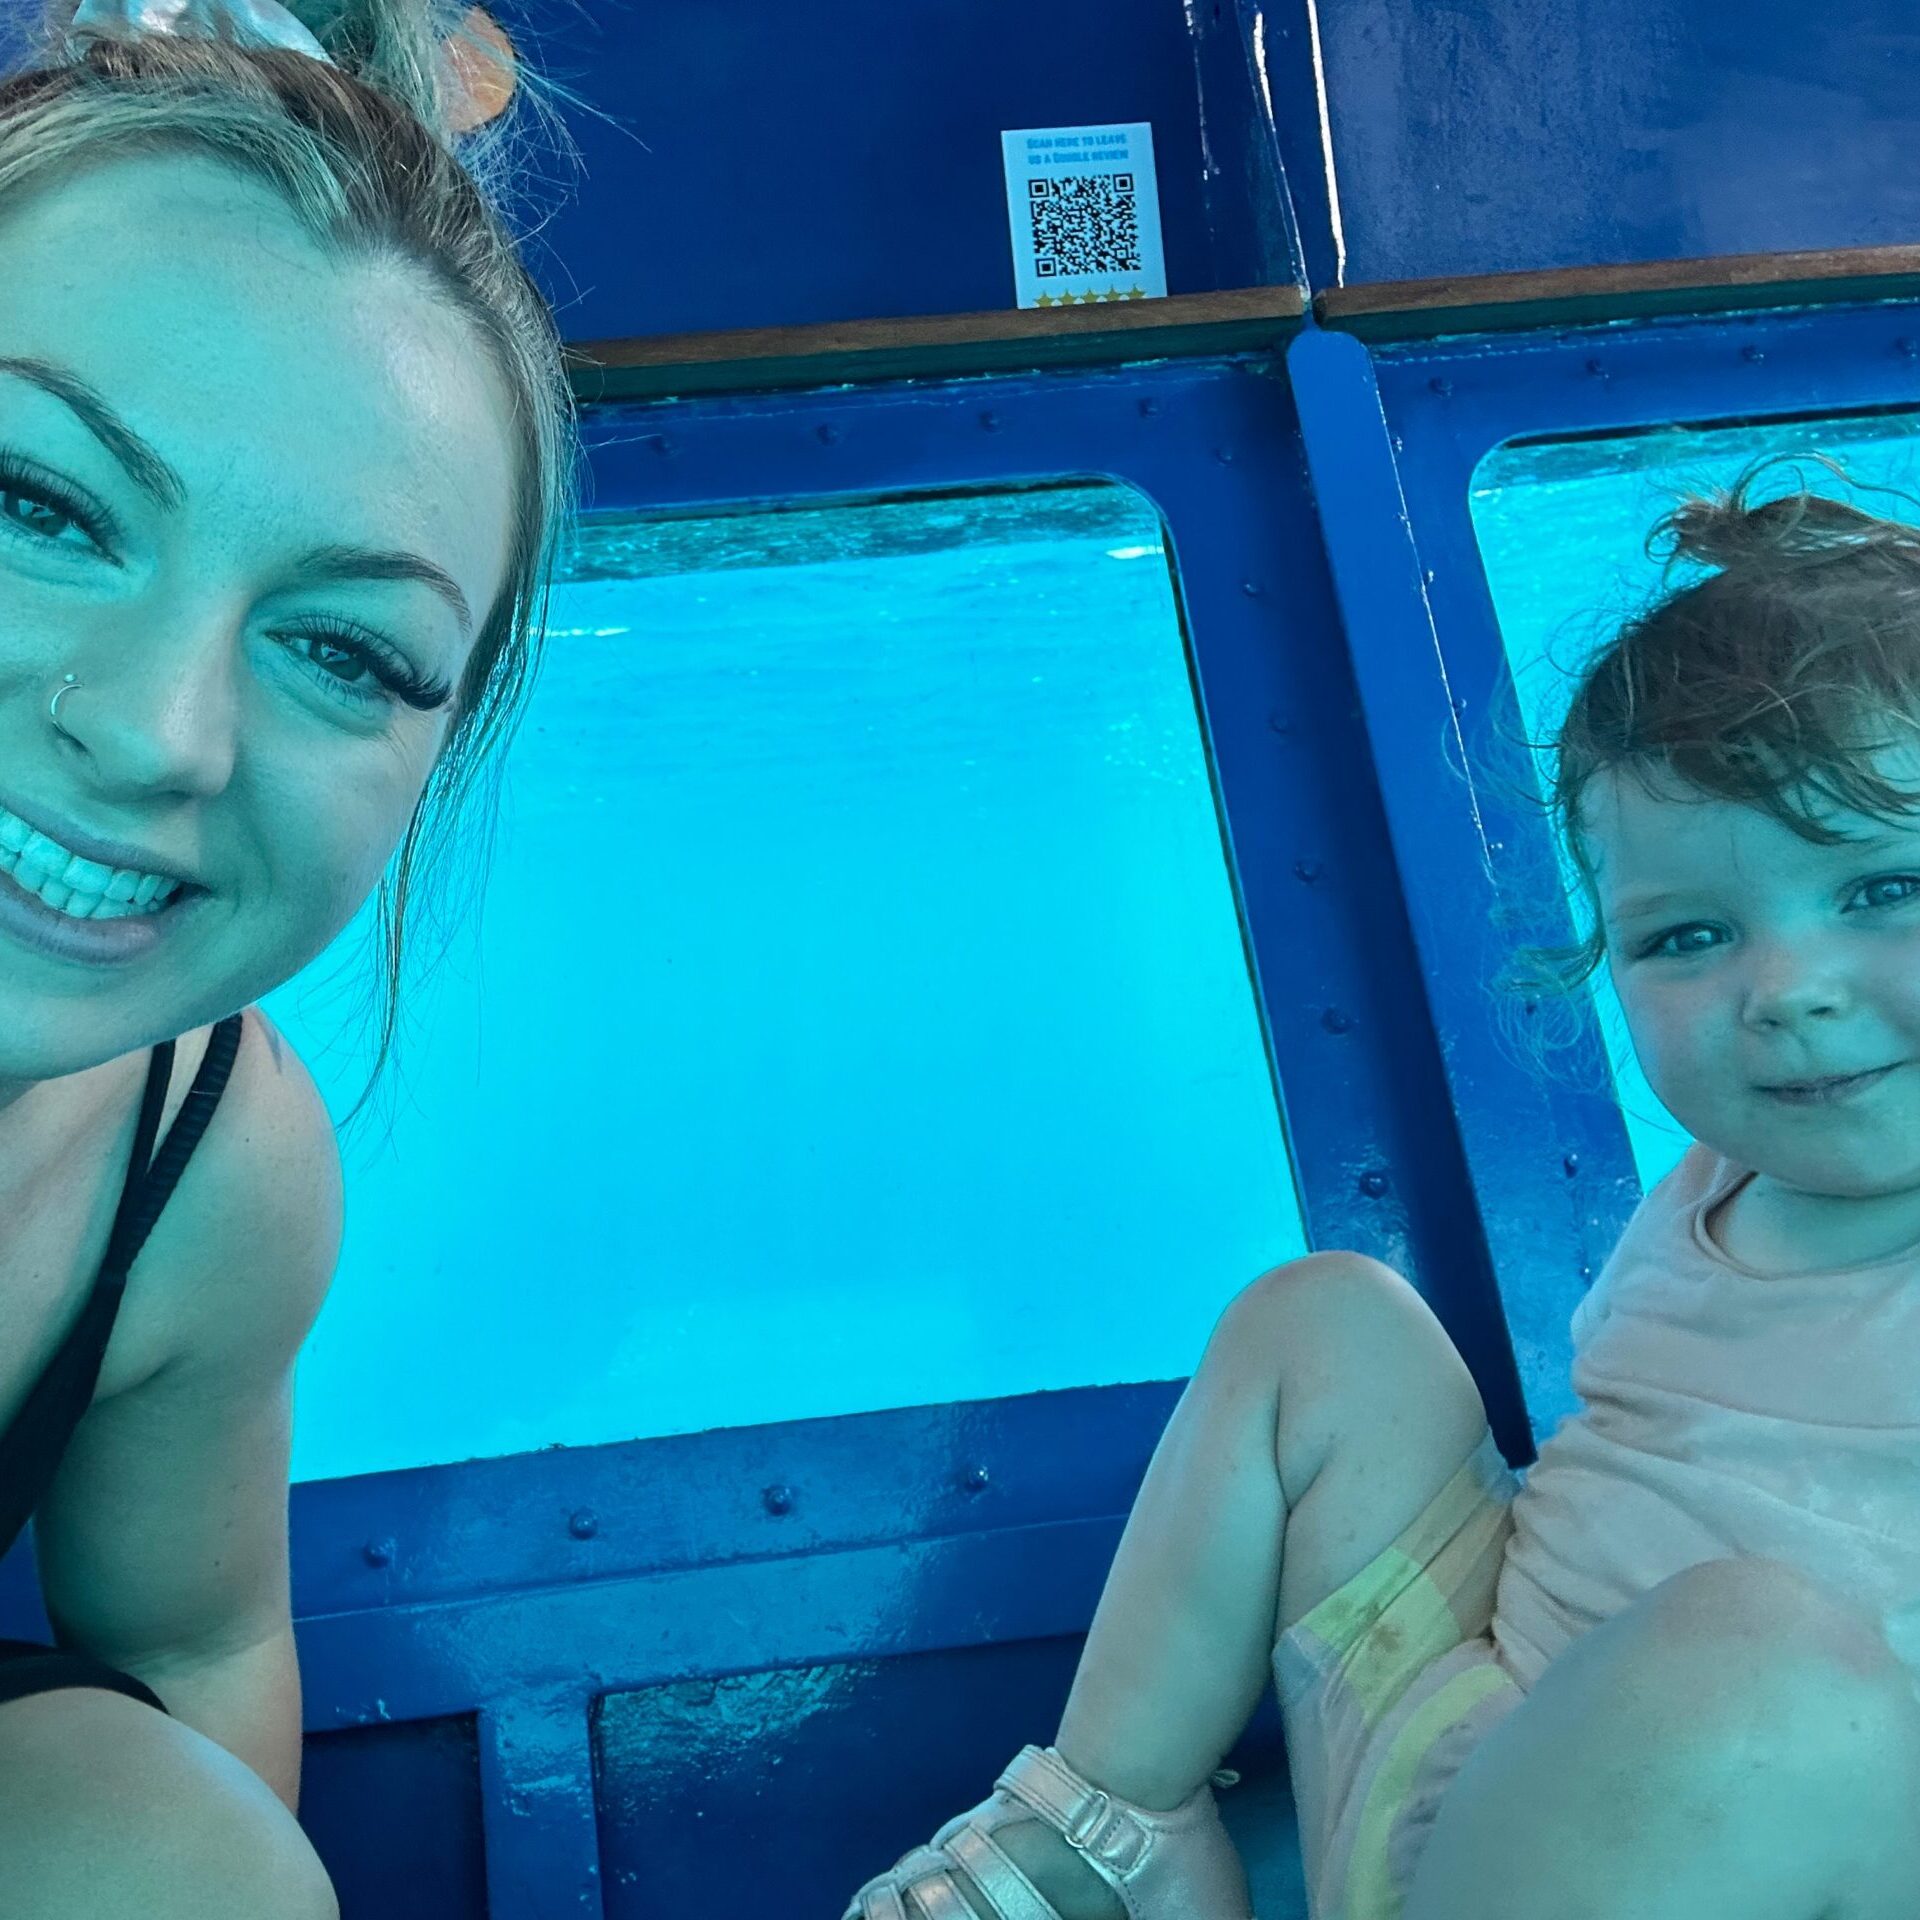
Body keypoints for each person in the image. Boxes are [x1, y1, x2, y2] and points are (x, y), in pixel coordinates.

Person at [845, 474, 1920, 1920]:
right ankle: (1119, 1830)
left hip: (1726, 1863)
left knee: (1752, 1656)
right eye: (1692, 934)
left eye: (1880, 890)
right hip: (1444, 1774)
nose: (1783, 993)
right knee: (1325, 1322)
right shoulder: (1727, 1181)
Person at [0, 0, 587, 1911]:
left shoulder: (208, 1173)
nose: (165, 731)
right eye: (36, 507)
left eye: (343, 647)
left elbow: (194, 1661)